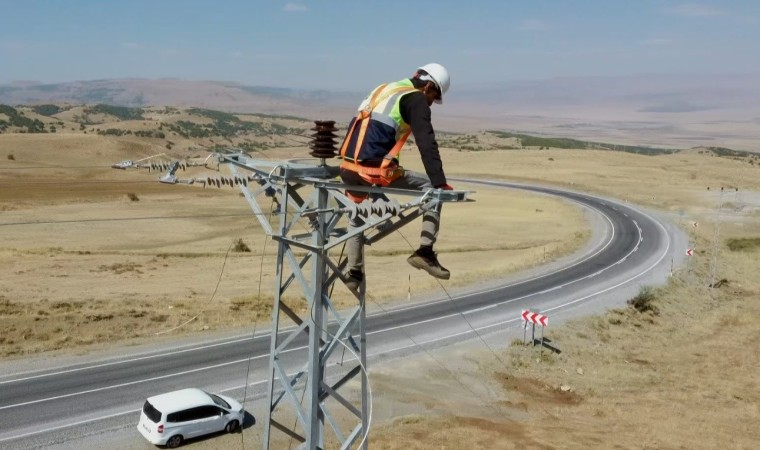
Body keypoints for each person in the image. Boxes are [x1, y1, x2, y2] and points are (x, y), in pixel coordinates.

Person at [338, 63, 454, 292]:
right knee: (432, 189)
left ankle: (354, 273)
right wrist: (440, 181)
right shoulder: (416, 99)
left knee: (356, 213)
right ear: (428, 86)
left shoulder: (384, 89)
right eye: (434, 96)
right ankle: (425, 252)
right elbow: (426, 142)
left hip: (348, 167)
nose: (431, 103)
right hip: (373, 170)